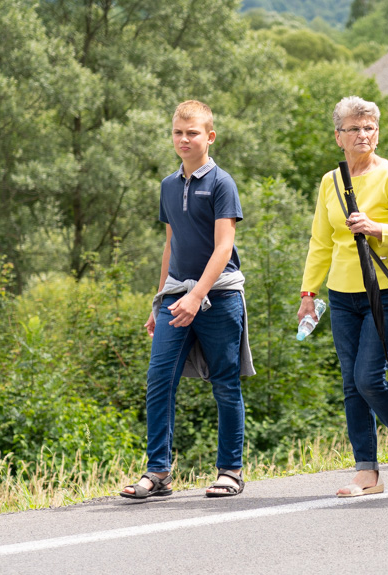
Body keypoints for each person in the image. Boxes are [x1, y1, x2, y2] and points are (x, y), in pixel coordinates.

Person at [121, 100, 254, 499]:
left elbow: (223, 247)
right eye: (178, 133)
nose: (184, 139)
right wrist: (158, 301)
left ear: (209, 137)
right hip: (176, 297)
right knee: (159, 380)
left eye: (192, 133)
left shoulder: (221, 183)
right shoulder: (167, 185)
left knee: (226, 385)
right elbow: (170, 246)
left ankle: (230, 470)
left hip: (219, 297)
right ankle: (158, 473)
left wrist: (198, 295)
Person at [299, 96, 388, 497]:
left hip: (385, 290)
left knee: (369, 376)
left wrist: (375, 227)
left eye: (369, 127)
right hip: (341, 293)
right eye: (353, 128)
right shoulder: (330, 181)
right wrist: (308, 292)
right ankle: (367, 471)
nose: (362, 135)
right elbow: (321, 241)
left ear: (377, 132)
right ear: (338, 136)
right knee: (351, 383)